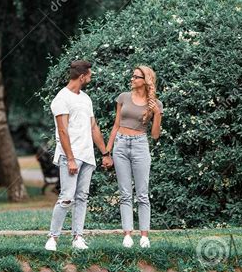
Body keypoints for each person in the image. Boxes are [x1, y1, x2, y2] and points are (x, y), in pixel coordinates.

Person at [45, 60, 112, 251]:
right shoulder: (61, 99)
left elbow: (93, 127)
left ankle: (78, 237)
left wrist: (105, 153)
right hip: (70, 157)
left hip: (87, 156)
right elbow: (63, 131)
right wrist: (71, 158)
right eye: (89, 75)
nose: (90, 78)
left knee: (82, 197)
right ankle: (53, 237)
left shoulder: (86, 98)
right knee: (67, 197)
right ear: (82, 76)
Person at [105, 65, 163, 248]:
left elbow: (154, 135)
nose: (132, 79)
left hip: (140, 145)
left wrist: (156, 114)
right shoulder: (123, 97)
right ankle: (128, 235)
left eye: (135, 77)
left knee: (142, 193)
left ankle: (144, 236)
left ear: (145, 80)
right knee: (124, 194)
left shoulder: (155, 104)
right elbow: (115, 125)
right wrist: (107, 152)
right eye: (132, 76)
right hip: (120, 144)